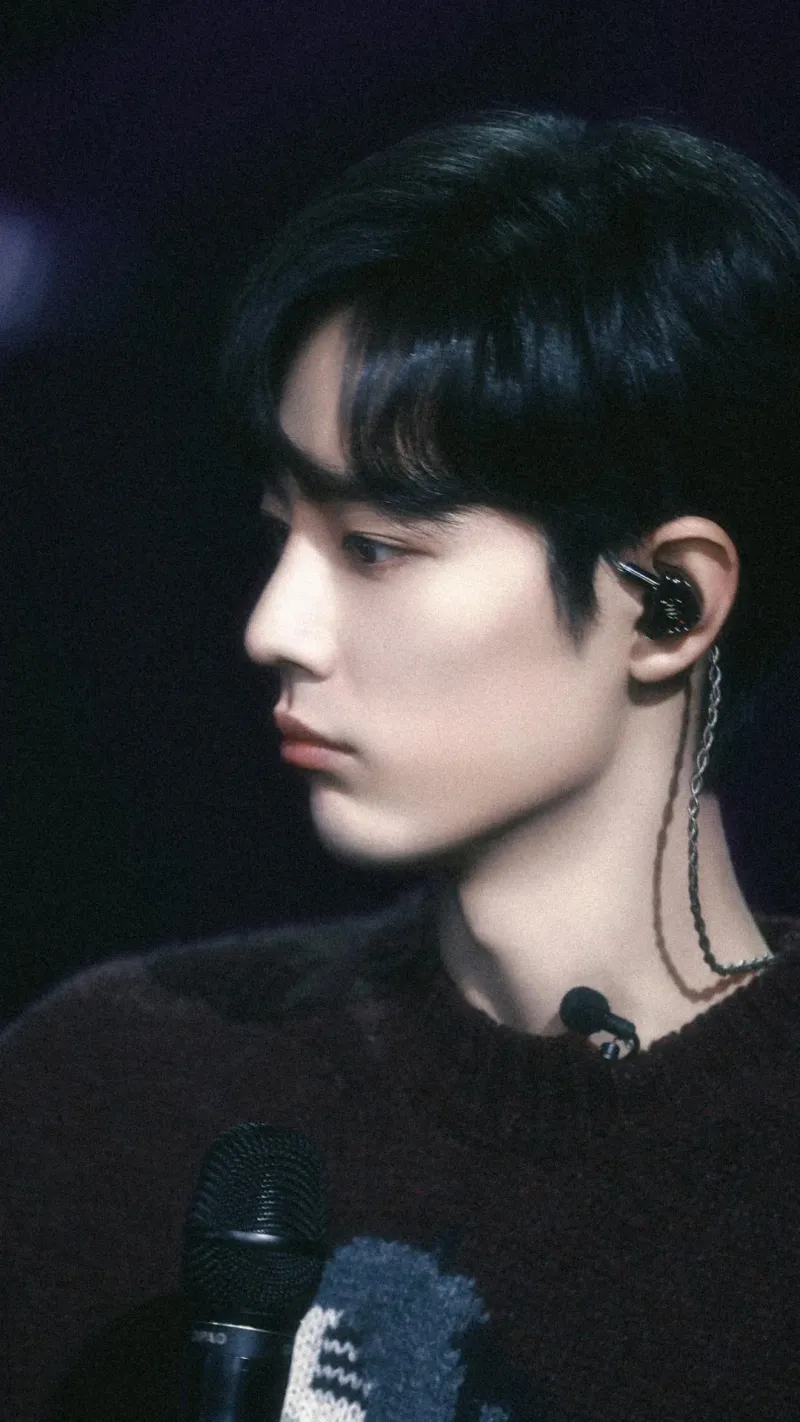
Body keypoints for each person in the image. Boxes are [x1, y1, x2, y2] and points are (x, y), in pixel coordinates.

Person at [3, 110, 800, 1422]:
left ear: (669, 602)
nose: (275, 627)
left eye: (374, 545)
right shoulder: (112, 1092)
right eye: (284, 529)